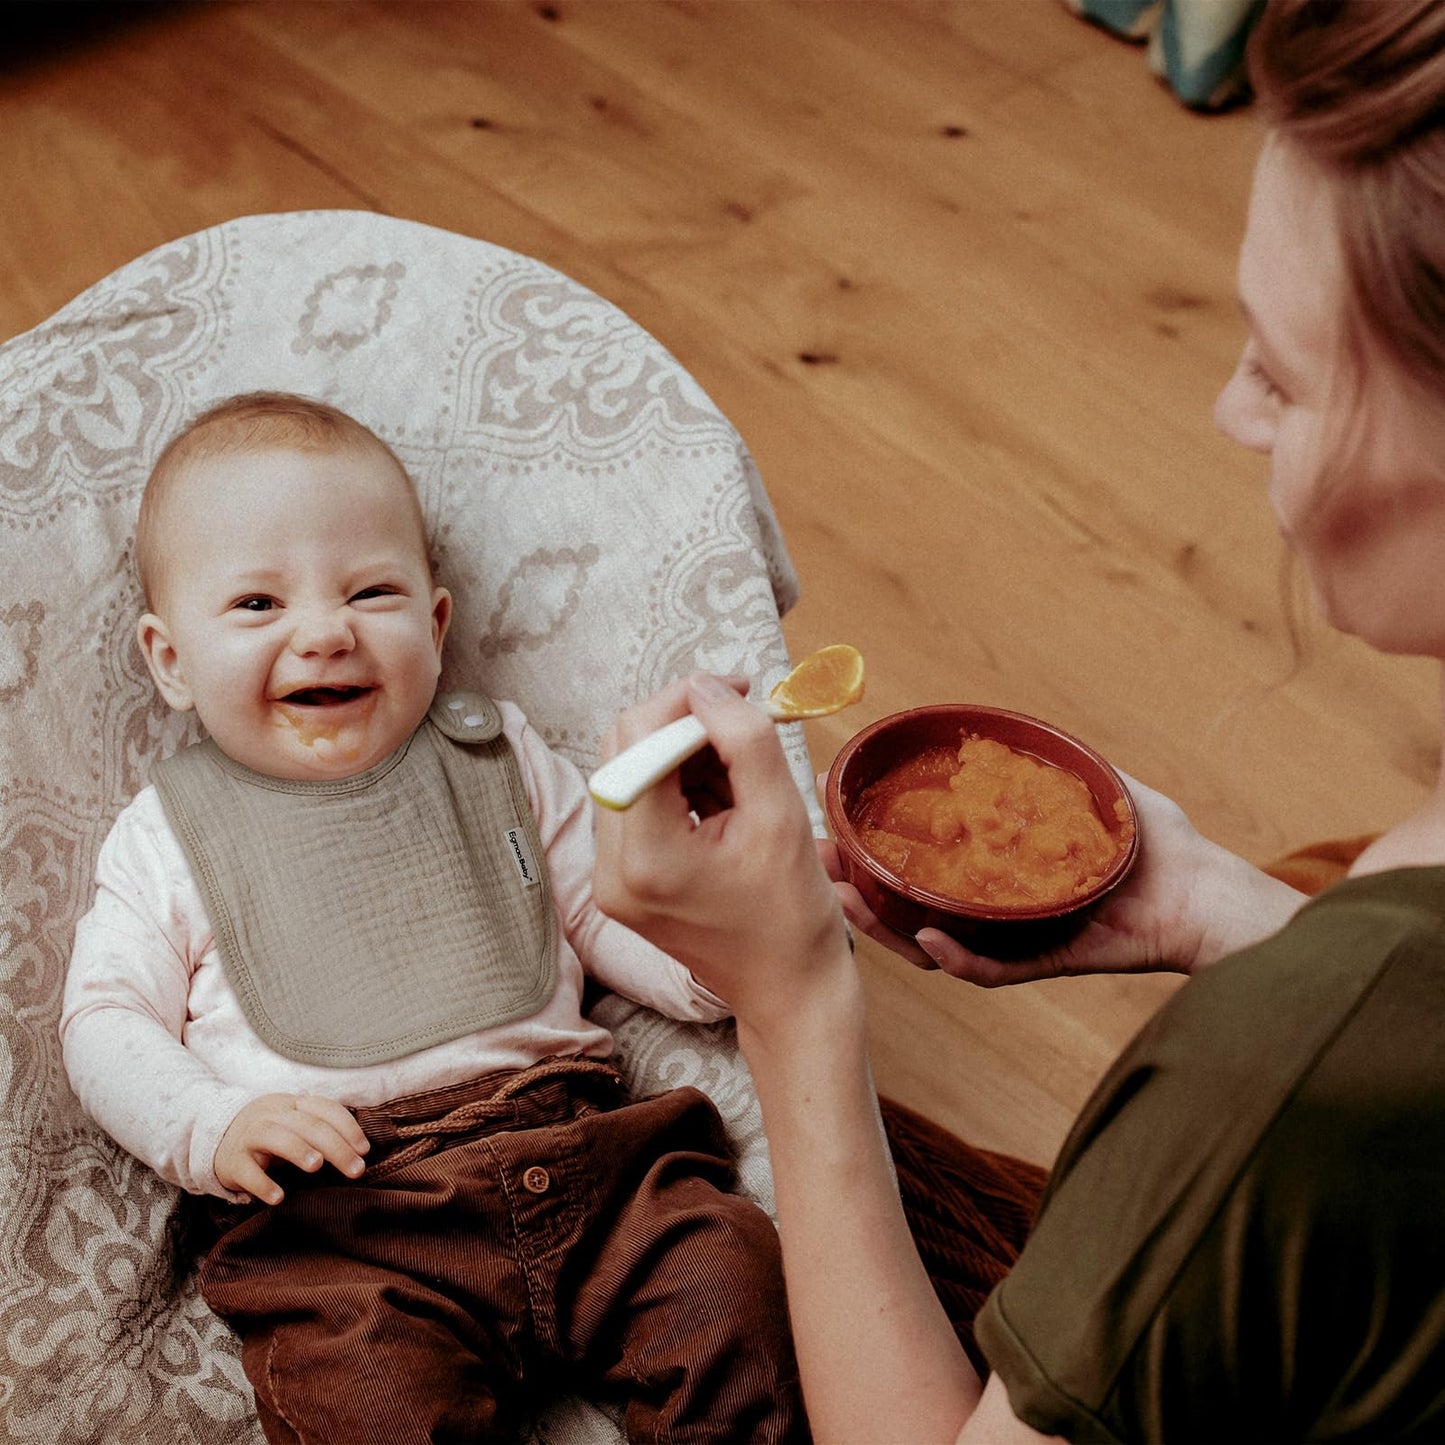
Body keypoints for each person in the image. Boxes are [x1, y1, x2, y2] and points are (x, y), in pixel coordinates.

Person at [589, 2, 1445, 1440]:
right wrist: (1226, 914)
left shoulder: (1267, 1093)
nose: (1233, 409)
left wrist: (791, 1002)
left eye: (1285, 375)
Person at [59, 392, 807, 1444]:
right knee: (366, 1400)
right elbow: (103, 1020)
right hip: (348, 1225)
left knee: (730, 1285)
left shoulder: (496, 755)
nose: (325, 631)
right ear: (170, 659)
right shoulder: (165, 834)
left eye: (370, 590)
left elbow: (599, 909)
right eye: (257, 606)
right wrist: (212, 1123)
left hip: (591, 1162)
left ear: (437, 623)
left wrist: (727, 955)